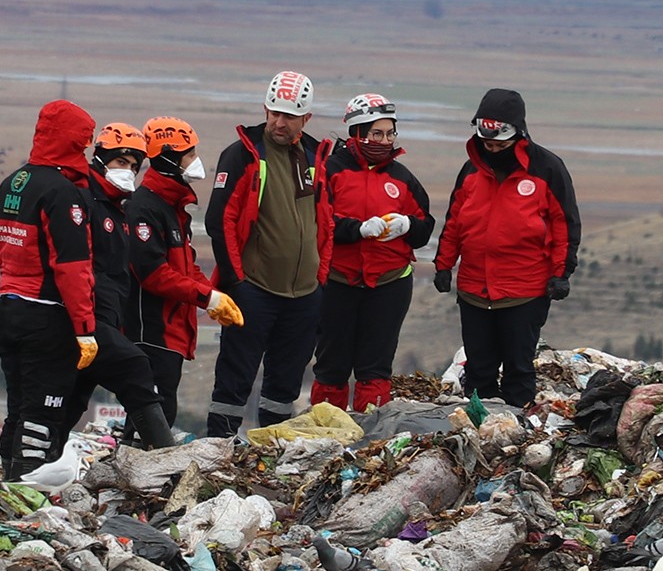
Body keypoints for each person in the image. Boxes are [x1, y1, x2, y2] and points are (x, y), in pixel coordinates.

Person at [203, 70, 334, 435]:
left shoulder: (315, 157)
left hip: (304, 294)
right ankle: (218, 447)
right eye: (274, 112)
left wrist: (320, 280)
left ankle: (272, 453)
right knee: (234, 377)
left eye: (289, 115)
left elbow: (325, 223)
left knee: (285, 385)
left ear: (306, 118)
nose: (279, 122)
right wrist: (236, 282)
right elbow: (220, 221)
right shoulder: (243, 155)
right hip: (255, 289)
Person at [432, 87, 580, 410]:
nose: (493, 150)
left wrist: (561, 273)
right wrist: (443, 265)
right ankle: (483, 431)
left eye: (500, 144)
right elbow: (455, 220)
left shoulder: (547, 169)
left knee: (519, 370)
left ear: (518, 135)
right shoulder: (471, 170)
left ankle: (518, 432)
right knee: (479, 371)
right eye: (488, 144)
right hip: (473, 291)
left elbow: (564, 225)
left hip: (524, 292)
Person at [0, 98, 102, 480]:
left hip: (8, 308)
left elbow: (2, 254)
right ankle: (25, 487)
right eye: (83, 143)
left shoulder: (12, 184)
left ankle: (8, 478)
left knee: (18, 405)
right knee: (43, 410)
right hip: (47, 314)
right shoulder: (62, 193)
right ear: (73, 140)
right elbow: (71, 267)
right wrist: (85, 328)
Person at [310, 93, 435, 413]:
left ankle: (371, 434)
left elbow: (425, 228)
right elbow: (316, 221)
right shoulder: (330, 171)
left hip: (389, 284)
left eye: (390, 133)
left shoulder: (402, 178)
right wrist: (358, 230)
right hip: (339, 281)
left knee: (375, 366)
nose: (384, 141)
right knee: (331, 365)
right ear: (357, 132)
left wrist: (407, 225)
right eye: (376, 133)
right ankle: (327, 431)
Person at [122, 116, 239, 424]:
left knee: (158, 412)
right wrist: (206, 299)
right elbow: (153, 274)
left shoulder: (172, 208)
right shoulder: (143, 208)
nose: (195, 161)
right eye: (189, 154)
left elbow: (185, 266)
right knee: (153, 416)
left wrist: (213, 294)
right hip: (150, 332)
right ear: (169, 158)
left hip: (171, 332)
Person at [78, 121, 177, 450]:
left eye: (134, 165)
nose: (128, 171)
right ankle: (162, 456)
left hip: (104, 321)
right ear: (100, 158)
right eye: (121, 162)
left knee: (72, 400)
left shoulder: (118, 208)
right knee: (136, 369)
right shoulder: (84, 202)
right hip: (83, 321)